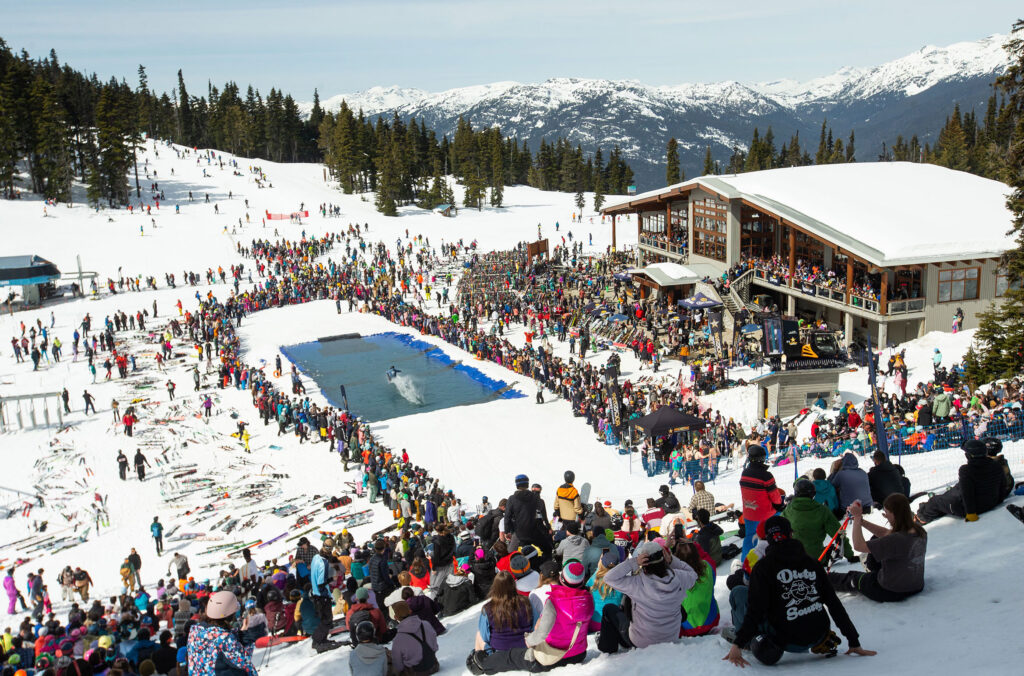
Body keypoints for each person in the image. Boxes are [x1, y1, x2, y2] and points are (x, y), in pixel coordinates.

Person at [723, 516, 876, 667]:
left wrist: (738, 643)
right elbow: (833, 603)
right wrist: (853, 641)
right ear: (791, 534)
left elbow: (755, 610)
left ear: (767, 540)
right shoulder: (812, 563)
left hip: (787, 641)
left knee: (738, 592)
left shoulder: (762, 567)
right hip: (819, 634)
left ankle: (747, 640)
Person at [597, 539, 697, 654]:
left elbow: (609, 578)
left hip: (641, 641)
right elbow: (693, 575)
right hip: (671, 638)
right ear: (663, 559)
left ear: (644, 563)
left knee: (609, 609)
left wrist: (634, 562)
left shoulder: (637, 583)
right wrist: (672, 561)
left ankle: (607, 648)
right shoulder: (678, 577)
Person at [829, 494, 926, 602]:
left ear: (895, 514)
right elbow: (887, 534)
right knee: (877, 538)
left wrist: (856, 518)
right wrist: (862, 521)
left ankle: (823, 579)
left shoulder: (896, 540)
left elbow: (858, 545)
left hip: (889, 590)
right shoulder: (919, 531)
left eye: (887, 513)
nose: (885, 516)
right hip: (915, 585)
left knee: (853, 578)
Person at [917, 439, 1008, 523]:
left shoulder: (967, 469)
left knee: (935, 501)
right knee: (951, 494)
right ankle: (932, 509)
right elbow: (1003, 485)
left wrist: (971, 513)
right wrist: (998, 500)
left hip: (972, 508)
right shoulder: (996, 465)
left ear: (969, 455)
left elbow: (967, 493)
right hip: (991, 502)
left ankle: (921, 518)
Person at [467, 571, 535, 672]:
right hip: (524, 648)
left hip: (499, 653)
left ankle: (482, 664)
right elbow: (534, 626)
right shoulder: (526, 602)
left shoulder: (488, 608)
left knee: (479, 634)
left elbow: (485, 635)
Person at [186, 591, 258, 675]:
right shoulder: (225, 639)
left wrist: (238, 634)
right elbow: (245, 665)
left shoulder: (195, 630)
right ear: (229, 615)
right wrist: (248, 641)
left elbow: (213, 638)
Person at [782, 479, 854, 562]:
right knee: (833, 549)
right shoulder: (822, 510)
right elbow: (838, 534)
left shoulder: (787, 511)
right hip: (817, 558)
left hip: (793, 558)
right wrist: (850, 555)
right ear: (813, 494)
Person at [739, 444, 782, 561]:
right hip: (765, 514)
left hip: (749, 512)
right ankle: (775, 558)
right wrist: (780, 505)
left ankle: (745, 562)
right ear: (762, 458)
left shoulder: (745, 473)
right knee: (776, 529)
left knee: (749, 538)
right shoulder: (766, 475)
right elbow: (775, 497)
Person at [674, 541, 719, 636]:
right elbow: (706, 556)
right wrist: (691, 542)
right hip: (710, 622)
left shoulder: (674, 576)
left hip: (687, 629)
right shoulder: (708, 566)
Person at [505, 474, 553, 563]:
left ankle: (518, 566)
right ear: (527, 485)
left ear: (517, 485)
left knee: (511, 551)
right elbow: (542, 513)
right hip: (534, 531)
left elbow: (507, 517)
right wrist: (548, 527)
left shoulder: (512, 499)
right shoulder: (535, 497)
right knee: (547, 548)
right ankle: (545, 566)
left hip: (519, 532)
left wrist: (507, 531)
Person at [389, 600, 440, 675]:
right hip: (434, 666)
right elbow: (435, 647)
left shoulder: (398, 638)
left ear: (396, 617)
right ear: (410, 611)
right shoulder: (426, 624)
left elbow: (398, 666)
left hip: (416, 673)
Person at [310, 544, 341, 652]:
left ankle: (322, 639)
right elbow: (321, 583)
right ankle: (317, 641)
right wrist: (332, 578)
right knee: (326, 620)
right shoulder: (324, 563)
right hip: (322, 595)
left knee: (324, 618)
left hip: (316, 593)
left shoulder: (316, 557)